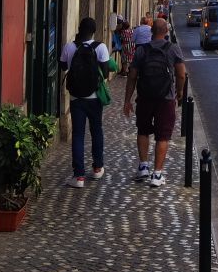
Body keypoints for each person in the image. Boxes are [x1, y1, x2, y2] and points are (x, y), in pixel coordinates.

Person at [122, 18, 186, 187]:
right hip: (166, 98)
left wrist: (127, 100)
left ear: (151, 32)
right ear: (166, 32)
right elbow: (181, 74)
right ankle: (157, 175)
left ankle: (143, 167)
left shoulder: (141, 50)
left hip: (144, 97)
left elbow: (132, 76)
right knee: (163, 135)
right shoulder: (173, 49)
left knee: (143, 130)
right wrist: (179, 93)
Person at [59, 17, 110, 188]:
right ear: (94, 31)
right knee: (96, 131)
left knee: (78, 135)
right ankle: (97, 168)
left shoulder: (70, 47)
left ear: (79, 29)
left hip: (76, 99)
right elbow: (105, 73)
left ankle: (79, 176)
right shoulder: (100, 47)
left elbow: (62, 66)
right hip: (94, 98)